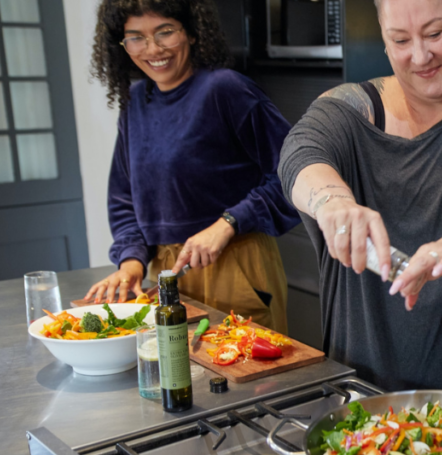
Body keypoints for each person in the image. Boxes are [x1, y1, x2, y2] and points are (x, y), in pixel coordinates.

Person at [278, 0, 442, 392]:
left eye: (434, 33)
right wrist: (333, 203)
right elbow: (300, 153)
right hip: (349, 401)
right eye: (400, 39)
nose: (420, 56)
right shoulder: (351, 108)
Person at [85, 0, 300, 333]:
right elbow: (124, 199)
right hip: (168, 275)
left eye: (165, 32)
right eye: (136, 37)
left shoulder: (226, 89)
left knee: (247, 377)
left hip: (236, 265)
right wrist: (130, 262)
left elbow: (297, 173)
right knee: (179, 377)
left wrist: (227, 223)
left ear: (193, 33)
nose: (153, 49)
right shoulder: (135, 103)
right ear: (121, 44)